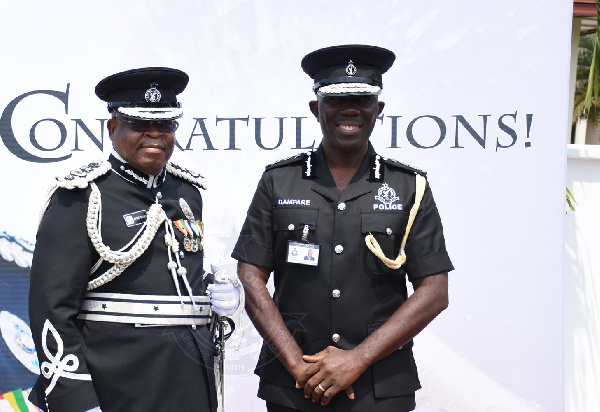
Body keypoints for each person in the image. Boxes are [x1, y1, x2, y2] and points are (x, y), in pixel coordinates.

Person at [232, 45, 453, 412]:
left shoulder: (408, 187)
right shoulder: (279, 182)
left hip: (379, 386)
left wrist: (359, 359)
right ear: (315, 108)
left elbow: (435, 290)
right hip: (293, 384)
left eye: (362, 99)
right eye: (336, 99)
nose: (350, 109)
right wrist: (294, 362)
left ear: (378, 110)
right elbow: (250, 273)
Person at [28, 67, 240, 412]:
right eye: (140, 125)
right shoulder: (80, 197)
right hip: (116, 387)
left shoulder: (186, 193)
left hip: (187, 383)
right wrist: (77, 400)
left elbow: (175, 279)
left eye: (165, 125)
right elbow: (52, 310)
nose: (154, 135)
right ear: (113, 129)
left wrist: (215, 295)